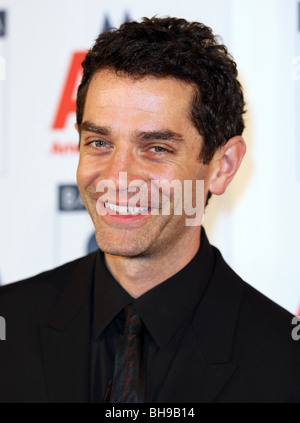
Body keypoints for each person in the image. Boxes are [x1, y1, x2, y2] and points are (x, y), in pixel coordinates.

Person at [0, 17, 300, 404]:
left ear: (222, 166)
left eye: (156, 148)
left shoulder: (286, 363)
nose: (117, 177)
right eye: (98, 142)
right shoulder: (10, 325)